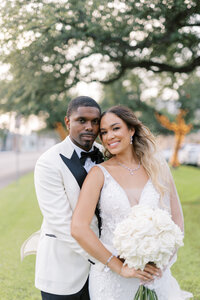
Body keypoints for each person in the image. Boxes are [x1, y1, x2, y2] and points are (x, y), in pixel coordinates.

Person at [71, 105, 193, 300]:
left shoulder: (158, 169)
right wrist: (119, 267)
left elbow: (177, 222)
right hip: (111, 279)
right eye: (103, 132)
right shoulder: (98, 173)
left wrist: (160, 262)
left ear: (131, 130)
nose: (109, 136)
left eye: (115, 128)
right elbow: (78, 227)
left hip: (154, 275)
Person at [21, 96, 104, 299]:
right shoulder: (48, 162)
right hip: (61, 272)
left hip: (103, 278)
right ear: (68, 122)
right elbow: (61, 222)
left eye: (95, 121)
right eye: (81, 120)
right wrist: (106, 259)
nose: (90, 127)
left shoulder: (107, 154)